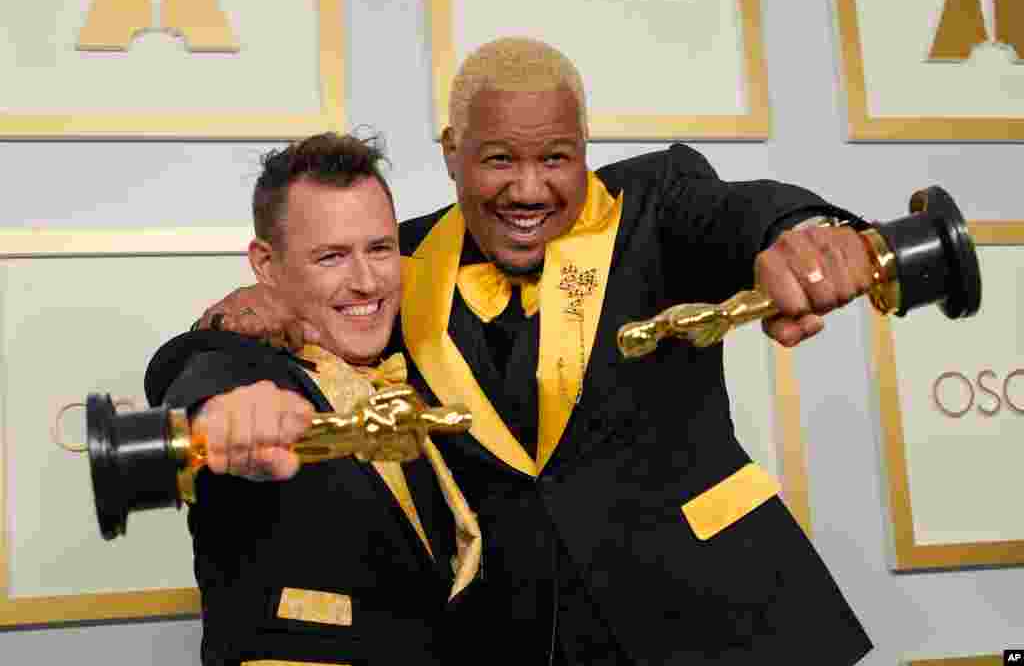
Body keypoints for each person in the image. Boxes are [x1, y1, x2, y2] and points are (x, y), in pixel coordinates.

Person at [196, 38, 875, 664]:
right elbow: (283, 308)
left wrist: (811, 233)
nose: (528, 189)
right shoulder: (396, 263)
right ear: (451, 153)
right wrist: (251, 308)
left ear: (583, 147)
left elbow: (746, 212)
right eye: (499, 159)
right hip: (520, 644)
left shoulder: (655, 203)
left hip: (732, 624)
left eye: (555, 156)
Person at [144, 132, 480, 666]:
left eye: (380, 248)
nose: (366, 281)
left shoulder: (420, 357)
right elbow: (200, 380)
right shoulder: (242, 363)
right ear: (267, 267)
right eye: (331, 257)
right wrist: (217, 421)